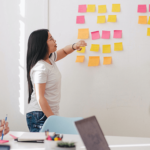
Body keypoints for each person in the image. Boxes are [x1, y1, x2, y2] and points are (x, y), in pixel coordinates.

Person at [26, 29, 87, 132]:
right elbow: (40, 97)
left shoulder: (50, 60)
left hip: (47, 113)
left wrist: (74, 46)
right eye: (50, 39)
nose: (55, 40)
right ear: (42, 44)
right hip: (39, 114)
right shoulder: (40, 67)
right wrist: (54, 119)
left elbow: (64, 51)